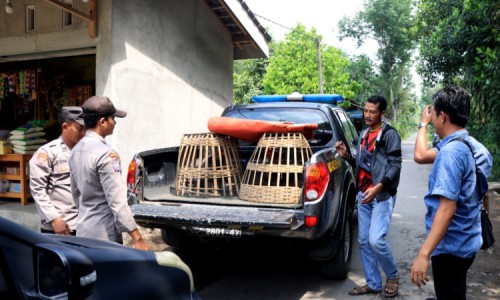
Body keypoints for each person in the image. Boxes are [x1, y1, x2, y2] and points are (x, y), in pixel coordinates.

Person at [410, 85, 493, 299]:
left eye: (434, 113)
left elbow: (447, 209)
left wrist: (424, 254)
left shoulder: (450, 153)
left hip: (450, 247)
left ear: (442, 117)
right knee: (454, 290)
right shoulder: (477, 148)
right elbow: (483, 194)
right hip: (469, 240)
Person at [335, 95, 402, 298]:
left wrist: (378, 187)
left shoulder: (390, 135)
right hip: (364, 195)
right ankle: (373, 283)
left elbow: (395, 166)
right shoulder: (364, 133)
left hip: (381, 196)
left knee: (375, 240)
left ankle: (393, 275)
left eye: (372, 112)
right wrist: (347, 155)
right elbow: (363, 163)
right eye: (366, 110)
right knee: (364, 242)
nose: (367, 115)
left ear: (382, 113)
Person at [69, 96, 149, 250]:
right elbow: (117, 201)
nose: (115, 122)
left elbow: (76, 194)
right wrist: (137, 238)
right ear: (103, 121)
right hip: (104, 236)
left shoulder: (75, 150)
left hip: (84, 230)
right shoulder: (106, 154)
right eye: (113, 118)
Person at [30, 107, 86, 235]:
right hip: (59, 227)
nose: (83, 132)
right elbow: (38, 189)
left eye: (85, 128)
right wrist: (54, 219)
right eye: (79, 128)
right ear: (65, 126)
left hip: (84, 225)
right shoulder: (48, 153)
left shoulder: (87, 152)